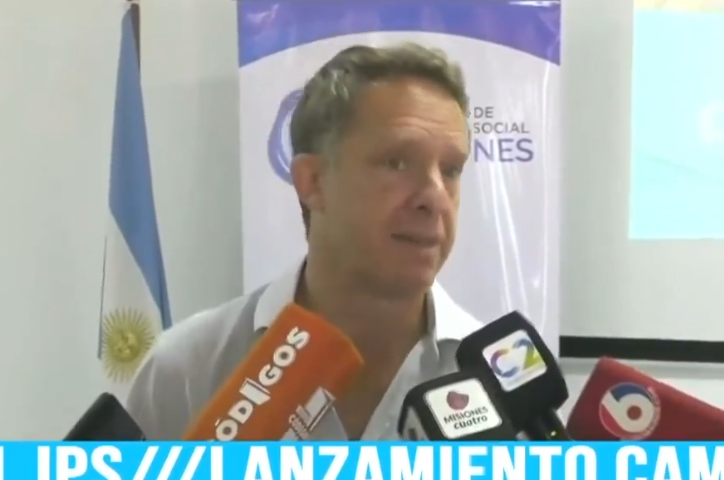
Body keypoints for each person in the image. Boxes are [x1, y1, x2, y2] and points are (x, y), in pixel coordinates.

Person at [125, 43, 481, 441]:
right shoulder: (185, 371)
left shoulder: (502, 384)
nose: (435, 198)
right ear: (312, 181)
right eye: (396, 163)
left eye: (451, 169)